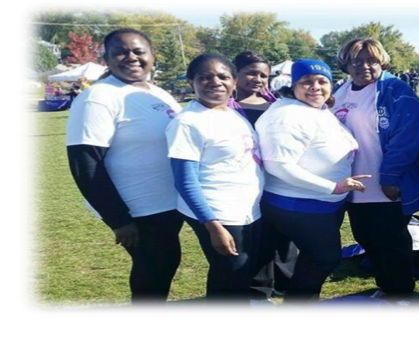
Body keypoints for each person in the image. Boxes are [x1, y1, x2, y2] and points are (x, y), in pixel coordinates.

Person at [66, 28, 184, 310]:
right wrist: (118, 219)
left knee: (164, 263)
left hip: (168, 204)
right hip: (137, 209)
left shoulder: (158, 93)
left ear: (152, 56)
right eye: (120, 52)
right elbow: (85, 163)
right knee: (153, 271)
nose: (130, 57)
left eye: (138, 51)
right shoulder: (99, 96)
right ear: (106, 58)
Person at [255, 59, 363, 310]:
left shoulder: (316, 110)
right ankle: (292, 305)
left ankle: (308, 302)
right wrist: (333, 187)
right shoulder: (287, 115)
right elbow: (278, 165)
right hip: (299, 202)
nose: (315, 87)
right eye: (307, 82)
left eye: (322, 81)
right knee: (325, 257)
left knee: (314, 257)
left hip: (321, 203)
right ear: (293, 86)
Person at [332, 38, 419, 311]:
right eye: (356, 61)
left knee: (392, 241)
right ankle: (387, 287)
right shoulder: (340, 91)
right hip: (352, 184)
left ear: (381, 61)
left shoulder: (396, 90)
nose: (364, 66)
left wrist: (390, 177)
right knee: (366, 237)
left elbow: (406, 138)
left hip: (385, 184)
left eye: (371, 60)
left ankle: (403, 294)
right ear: (346, 64)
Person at [165, 54, 263, 310]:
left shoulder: (231, 114)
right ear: (191, 82)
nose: (215, 82)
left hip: (244, 210)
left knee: (235, 274)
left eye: (223, 76)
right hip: (218, 212)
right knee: (231, 274)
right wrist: (212, 225)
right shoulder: (188, 122)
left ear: (233, 82)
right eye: (205, 77)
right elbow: (185, 180)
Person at [223, 51, 299, 311]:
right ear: (236, 73)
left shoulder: (276, 103)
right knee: (260, 237)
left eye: (263, 75)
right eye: (251, 73)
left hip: (280, 179)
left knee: (285, 234)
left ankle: (287, 282)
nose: (257, 79)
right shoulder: (224, 107)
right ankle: (258, 290)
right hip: (245, 183)